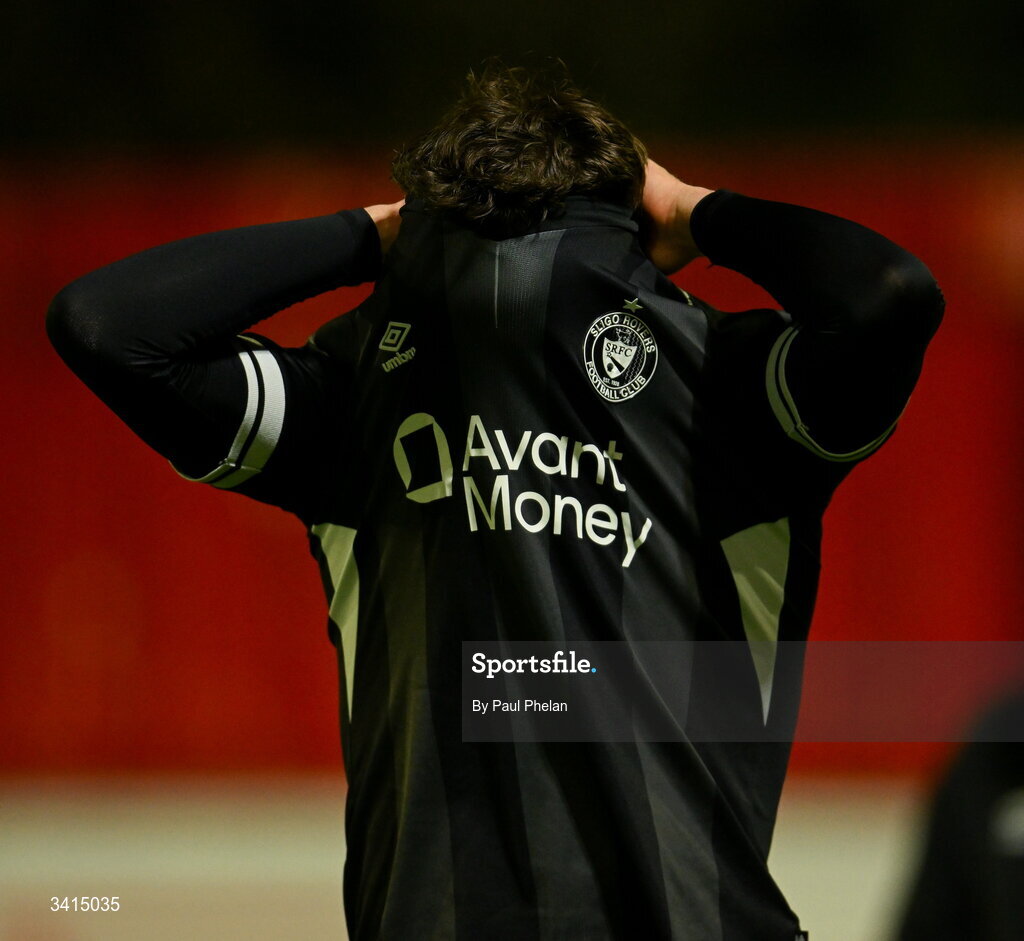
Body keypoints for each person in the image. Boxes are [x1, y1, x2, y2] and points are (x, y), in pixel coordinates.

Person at [47, 63, 943, 940]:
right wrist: (692, 209)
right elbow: (890, 296)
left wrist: (375, 233)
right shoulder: (723, 385)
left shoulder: (357, 393)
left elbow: (108, 326)